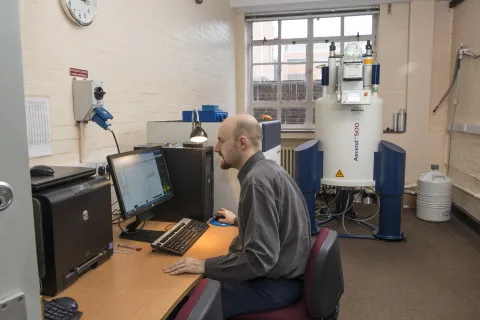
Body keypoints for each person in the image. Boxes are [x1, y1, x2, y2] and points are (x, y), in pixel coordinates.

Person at [164, 114, 311, 318]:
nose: (215, 148)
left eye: (221, 141)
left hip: (274, 285)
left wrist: (204, 265)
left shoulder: (256, 182)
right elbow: (276, 222)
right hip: (286, 276)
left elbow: (260, 260)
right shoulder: (269, 169)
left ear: (242, 143)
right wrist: (237, 220)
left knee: (185, 307)